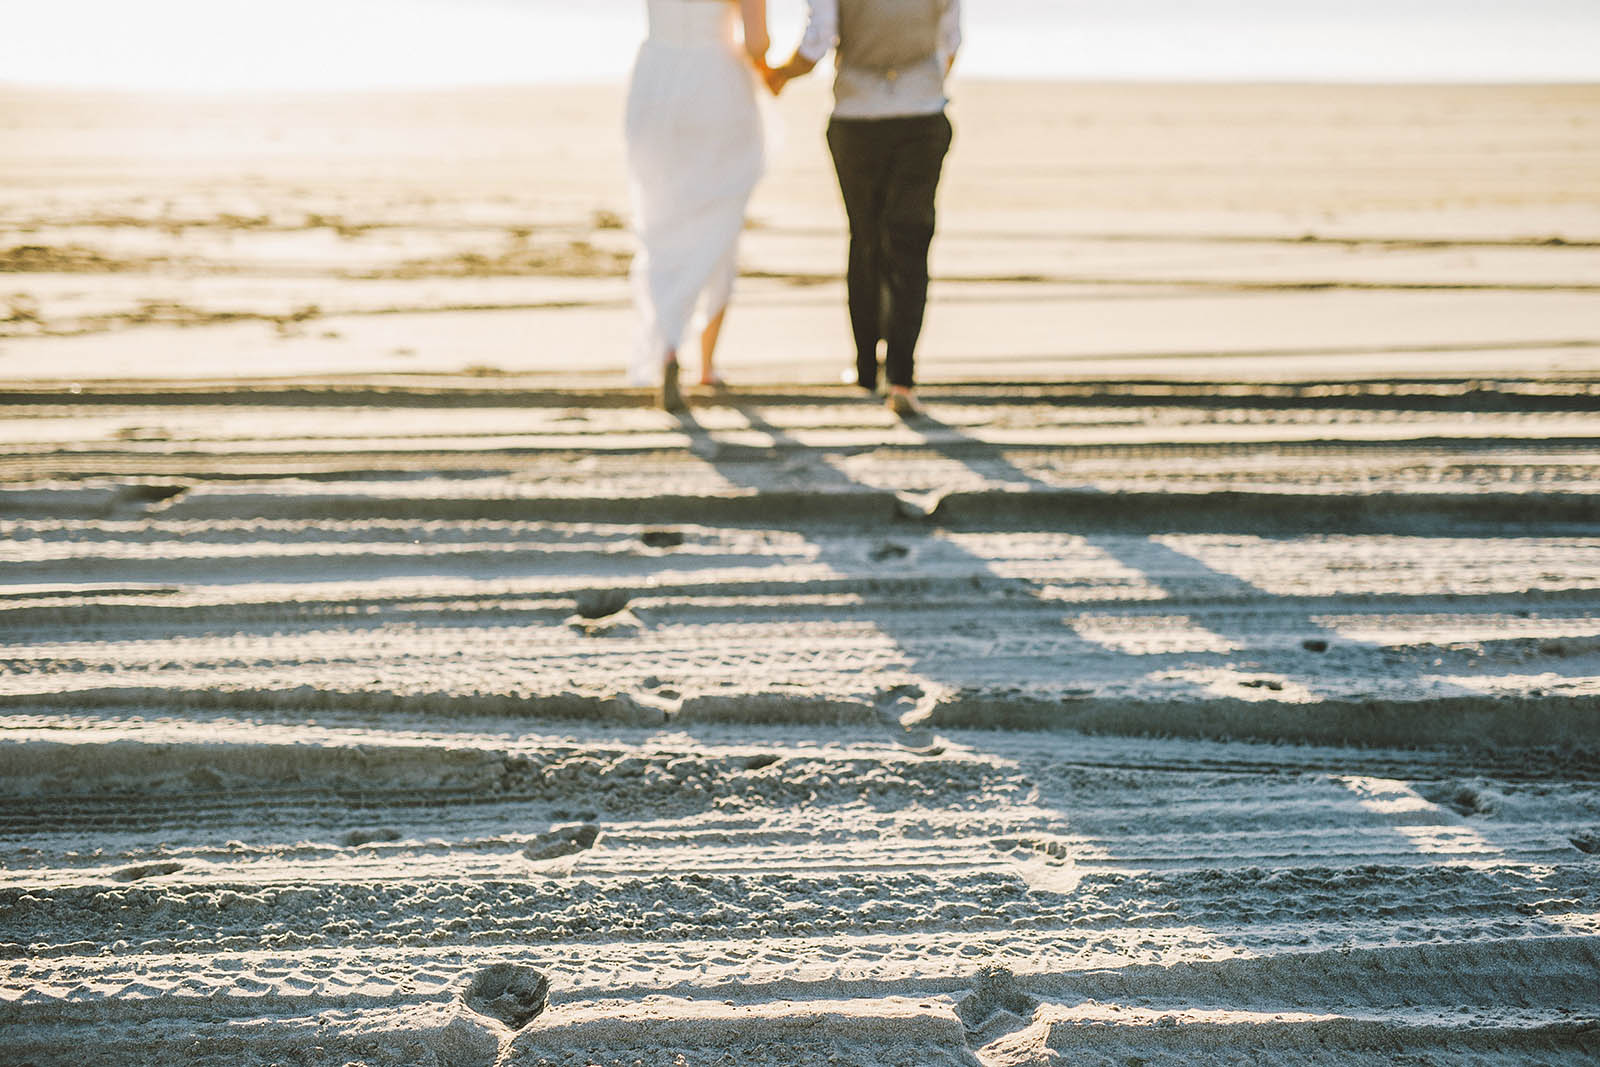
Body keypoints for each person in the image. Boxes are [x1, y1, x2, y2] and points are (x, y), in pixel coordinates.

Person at [767, 0, 960, 418]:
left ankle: (865, 368)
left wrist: (778, 74)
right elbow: (951, 40)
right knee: (910, 245)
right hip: (922, 114)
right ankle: (902, 379)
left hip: (856, 116)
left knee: (866, 237)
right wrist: (917, 85)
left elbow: (816, 44)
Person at [625, 0, 772, 411]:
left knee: (660, 222)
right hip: (716, 85)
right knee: (720, 220)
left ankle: (669, 348)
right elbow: (757, 42)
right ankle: (707, 362)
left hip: (656, 82)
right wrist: (770, 71)